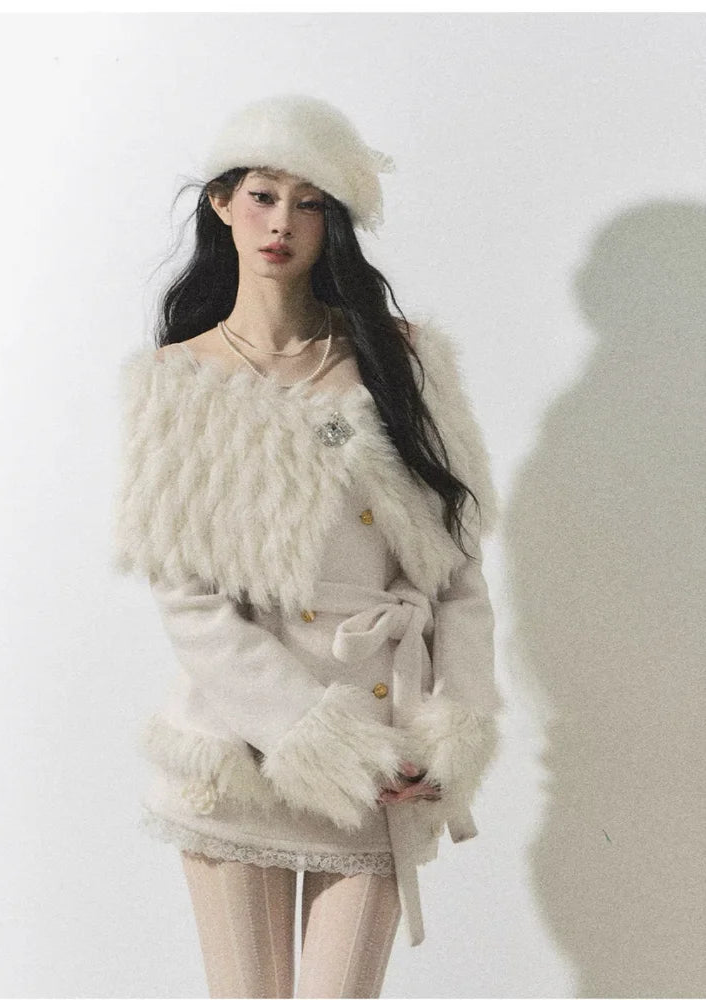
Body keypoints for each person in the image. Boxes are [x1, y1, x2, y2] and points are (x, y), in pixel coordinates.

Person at [112, 93, 505, 998]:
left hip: (384, 747)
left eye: (310, 202)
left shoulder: (402, 360)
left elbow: (458, 573)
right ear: (222, 203)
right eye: (262, 195)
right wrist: (318, 738)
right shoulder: (180, 379)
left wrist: (451, 723)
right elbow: (190, 603)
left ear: (336, 220)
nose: (282, 222)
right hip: (245, 748)